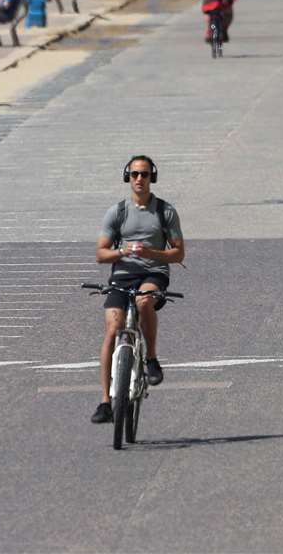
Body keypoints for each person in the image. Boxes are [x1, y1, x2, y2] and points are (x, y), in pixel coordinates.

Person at [92, 155, 184, 424]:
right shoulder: (117, 212)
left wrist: (152, 252)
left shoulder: (165, 212)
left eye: (144, 174)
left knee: (144, 301)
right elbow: (100, 253)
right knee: (112, 328)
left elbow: (178, 253)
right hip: (122, 275)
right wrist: (122, 251)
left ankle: (152, 359)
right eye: (134, 174)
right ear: (127, 177)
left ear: (152, 177)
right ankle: (105, 401)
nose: (139, 179)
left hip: (153, 273)